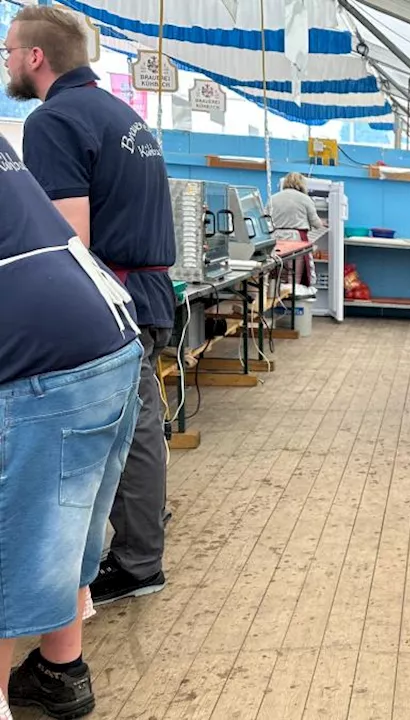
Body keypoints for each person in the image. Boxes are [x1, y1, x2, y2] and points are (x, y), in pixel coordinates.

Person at [6, 5, 175, 606]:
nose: (6, 62)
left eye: (8, 51)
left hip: (106, 298)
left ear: (35, 57)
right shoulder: (120, 114)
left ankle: (131, 562)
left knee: (109, 439)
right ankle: (142, 545)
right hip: (147, 294)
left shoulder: (56, 120)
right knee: (140, 426)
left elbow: (67, 235)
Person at [0, 131, 142, 719]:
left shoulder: (59, 121)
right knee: (65, 525)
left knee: (20, 541)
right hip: (106, 333)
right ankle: (62, 675)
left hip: (38, 350)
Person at [268, 171, 326, 287]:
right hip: (296, 240)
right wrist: (324, 223)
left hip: (276, 239)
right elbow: (316, 223)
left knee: (276, 273)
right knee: (294, 275)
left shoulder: (273, 198)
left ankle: (278, 297)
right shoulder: (305, 199)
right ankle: (293, 298)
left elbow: (265, 220)